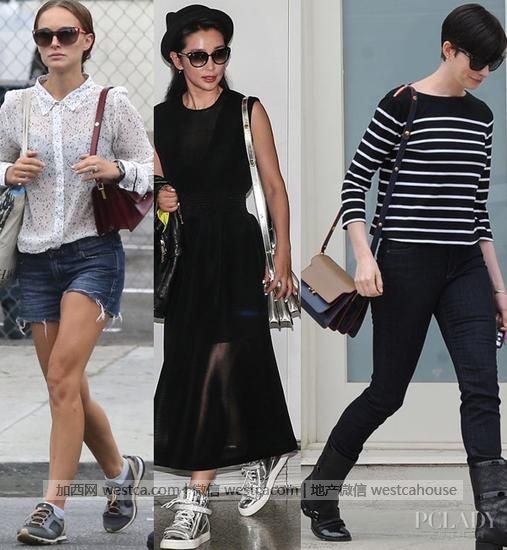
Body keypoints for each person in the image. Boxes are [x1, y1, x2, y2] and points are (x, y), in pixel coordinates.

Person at [301, 4, 507, 549]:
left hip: (464, 266)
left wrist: (498, 287)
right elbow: (355, 184)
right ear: (449, 49)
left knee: (482, 389)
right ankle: (320, 492)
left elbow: (477, 210)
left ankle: (494, 525)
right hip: (404, 265)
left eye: (494, 64)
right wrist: (363, 258)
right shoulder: (401, 104)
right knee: (387, 393)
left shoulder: (482, 117)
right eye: (477, 61)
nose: (484, 72)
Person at [0, 0, 152, 545]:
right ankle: (121, 472)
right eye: (44, 36)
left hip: (92, 254)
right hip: (36, 259)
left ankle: (53, 508)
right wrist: (8, 171)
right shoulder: (17, 105)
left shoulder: (112, 102)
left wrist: (115, 168)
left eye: (65, 33)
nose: (54, 44)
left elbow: (150, 170)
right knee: (66, 386)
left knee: (63, 379)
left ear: (86, 39)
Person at [154, 5, 298, 549]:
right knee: (200, 362)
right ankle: (268, 449)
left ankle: (196, 498)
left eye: (219, 54)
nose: (211, 65)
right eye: (199, 56)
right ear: (177, 59)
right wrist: (162, 197)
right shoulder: (159, 118)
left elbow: (274, 186)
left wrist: (282, 255)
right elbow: (153, 188)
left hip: (237, 250)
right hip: (189, 253)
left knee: (219, 362)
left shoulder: (246, 109)